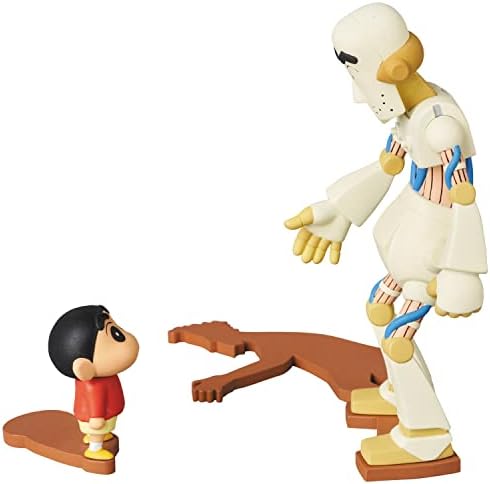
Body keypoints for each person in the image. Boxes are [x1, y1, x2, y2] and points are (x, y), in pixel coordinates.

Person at [285, 2, 486, 467]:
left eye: (358, 73)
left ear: (393, 69)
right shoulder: (413, 114)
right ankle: (401, 392)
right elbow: (388, 166)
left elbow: (464, 194)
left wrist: (462, 273)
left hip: (431, 254)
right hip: (407, 241)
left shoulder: (441, 127)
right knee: (379, 308)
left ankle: (427, 435)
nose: (360, 94)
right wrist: (339, 210)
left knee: (399, 335)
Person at [48, 305, 139, 460]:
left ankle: (97, 436)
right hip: (96, 418)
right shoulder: (93, 385)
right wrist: (96, 417)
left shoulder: (106, 377)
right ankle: (94, 449)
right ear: (85, 367)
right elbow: (95, 401)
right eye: (115, 334)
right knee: (97, 430)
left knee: (101, 429)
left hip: (106, 414)